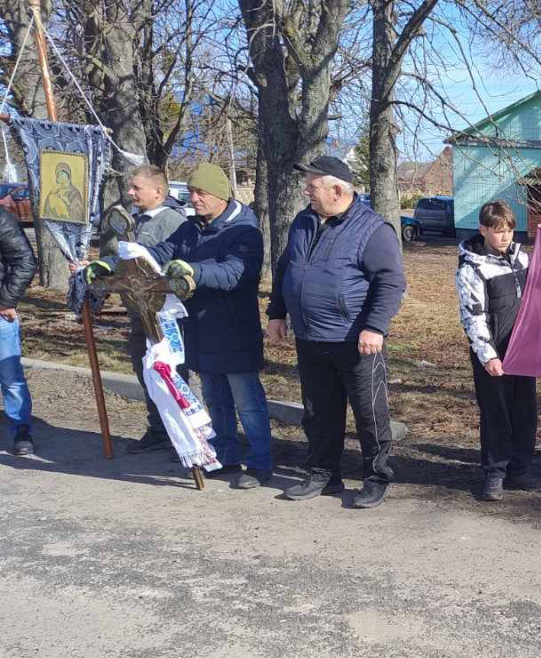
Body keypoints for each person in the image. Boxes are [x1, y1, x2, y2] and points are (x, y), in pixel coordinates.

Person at [121, 163, 273, 489]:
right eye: (191, 192)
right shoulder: (191, 227)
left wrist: (192, 271)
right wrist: (119, 260)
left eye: (201, 192)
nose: (194, 198)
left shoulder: (245, 231)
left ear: (220, 195)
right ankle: (225, 456)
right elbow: (162, 252)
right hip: (200, 331)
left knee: (248, 404)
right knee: (216, 400)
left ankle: (261, 464)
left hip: (234, 332)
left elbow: (234, 273)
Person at [267, 156, 406, 509]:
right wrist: (277, 312)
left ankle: (376, 477)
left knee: (369, 413)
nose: (306, 191)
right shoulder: (303, 222)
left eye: (312, 186)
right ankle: (323, 473)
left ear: (337, 190)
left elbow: (391, 282)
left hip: (356, 341)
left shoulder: (373, 230)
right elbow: (286, 269)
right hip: (311, 338)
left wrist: (375, 327)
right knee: (319, 412)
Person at [458, 200, 541, 501]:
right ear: (483, 230)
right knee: (497, 413)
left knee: (524, 412)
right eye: (497, 231)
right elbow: (472, 315)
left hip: (524, 349)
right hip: (493, 351)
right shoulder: (472, 267)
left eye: (508, 231)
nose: (504, 237)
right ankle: (495, 472)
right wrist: (488, 354)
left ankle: (520, 469)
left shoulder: (522, 258)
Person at [118, 165, 189, 454]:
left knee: (171, 373)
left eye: (137, 187)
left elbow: (169, 267)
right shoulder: (137, 220)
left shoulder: (171, 221)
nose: (130, 192)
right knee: (146, 372)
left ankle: (185, 434)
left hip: (164, 316)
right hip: (139, 312)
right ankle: (159, 429)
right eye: (130, 187)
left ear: (158, 191)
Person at [0, 206, 38, 455]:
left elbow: (25, 261)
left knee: (10, 377)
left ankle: (21, 428)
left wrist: (6, 300)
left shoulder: (1, 218)